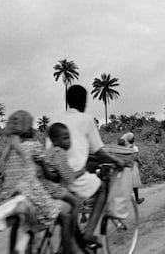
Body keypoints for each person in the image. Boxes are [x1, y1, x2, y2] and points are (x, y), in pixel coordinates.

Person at [47, 85, 126, 248]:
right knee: (102, 188)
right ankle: (89, 233)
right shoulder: (86, 119)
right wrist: (116, 161)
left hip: (53, 175)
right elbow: (98, 152)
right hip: (72, 175)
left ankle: (71, 240)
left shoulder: (54, 119)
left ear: (68, 101)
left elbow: (51, 148)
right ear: (84, 101)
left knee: (71, 202)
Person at [0, 110, 61, 253]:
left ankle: (19, 248)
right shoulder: (34, 145)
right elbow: (46, 170)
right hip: (29, 190)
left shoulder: (9, 149)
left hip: (10, 192)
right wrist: (54, 176)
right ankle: (21, 245)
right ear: (29, 128)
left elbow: (2, 173)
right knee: (48, 214)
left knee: (28, 221)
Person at [37, 122, 84, 254]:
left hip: (42, 185)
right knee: (75, 202)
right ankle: (70, 237)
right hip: (50, 187)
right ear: (55, 140)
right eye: (65, 138)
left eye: (69, 137)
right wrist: (81, 172)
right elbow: (67, 176)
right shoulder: (59, 152)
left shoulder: (50, 151)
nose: (69, 141)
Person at [121, 132, 145, 205]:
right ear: (130, 139)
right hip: (133, 166)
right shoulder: (134, 147)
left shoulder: (124, 147)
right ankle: (137, 199)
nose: (134, 139)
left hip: (125, 166)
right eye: (133, 138)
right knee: (134, 184)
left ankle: (123, 201)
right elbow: (135, 158)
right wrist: (141, 163)